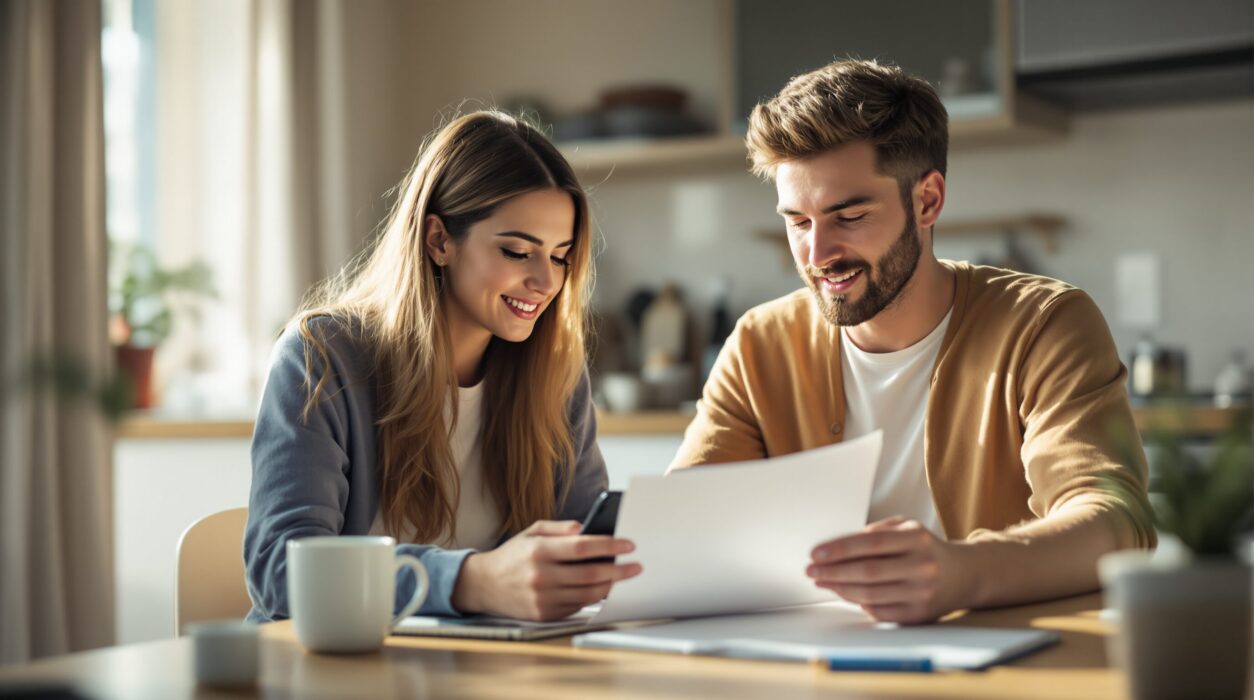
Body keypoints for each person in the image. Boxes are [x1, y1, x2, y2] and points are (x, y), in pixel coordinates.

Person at [669, 60, 1155, 624]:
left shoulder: (1043, 325)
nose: (817, 254)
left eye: (848, 215)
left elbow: (1117, 520)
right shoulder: (760, 343)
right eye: (798, 222)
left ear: (927, 201)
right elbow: (681, 532)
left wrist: (961, 573)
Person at [245, 111, 640, 623]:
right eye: (518, 252)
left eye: (561, 256)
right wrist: (473, 581)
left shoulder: (554, 372)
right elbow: (280, 571)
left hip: (480, 671)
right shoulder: (321, 358)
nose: (547, 281)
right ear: (439, 241)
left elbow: (582, 544)